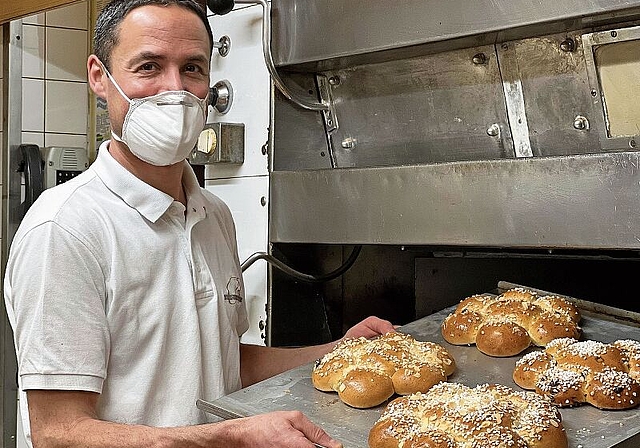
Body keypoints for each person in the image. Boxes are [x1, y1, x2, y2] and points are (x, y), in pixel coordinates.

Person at [2, 0, 396, 447]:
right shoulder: (66, 229)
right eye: (149, 66)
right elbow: (59, 432)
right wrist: (232, 436)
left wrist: (336, 353)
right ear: (99, 77)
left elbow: (223, 363)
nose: (176, 91)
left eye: (192, 69)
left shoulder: (213, 215)